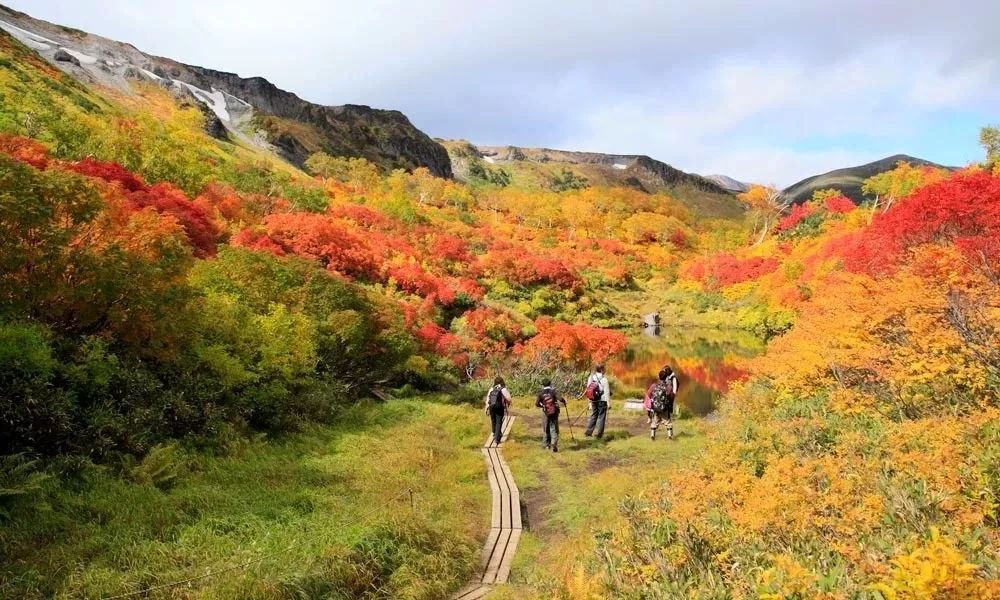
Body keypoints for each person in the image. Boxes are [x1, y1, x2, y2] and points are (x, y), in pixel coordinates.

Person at [645, 367, 678, 440]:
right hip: (664, 408)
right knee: (668, 422)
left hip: (656, 407)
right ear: (666, 377)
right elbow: (671, 396)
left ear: (658, 376)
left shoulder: (654, 385)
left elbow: (648, 394)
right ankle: (670, 436)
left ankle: (652, 435)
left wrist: (653, 401)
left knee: (655, 421)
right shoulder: (668, 387)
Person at [536, 378, 567, 452]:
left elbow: (537, 404)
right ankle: (554, 443)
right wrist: (564, 402)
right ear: (550, 384)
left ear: (542, 384)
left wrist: (543, 406)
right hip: (554, 411)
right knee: (554, 428)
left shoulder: (541, 392)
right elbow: (560, 398)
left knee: (546, 428)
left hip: (545, 412)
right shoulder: (553, 391)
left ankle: (546, 445)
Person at [581, 364, 611, 438]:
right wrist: (608, 403)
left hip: (593, 400)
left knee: (594, 415)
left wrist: (589, 402)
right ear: (601, 370)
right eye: (604, 369)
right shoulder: (604, 379)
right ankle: (599, 435)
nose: (605, 370)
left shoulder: (591, 377)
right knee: (601, 417)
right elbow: (606, 392)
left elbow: (588, 390)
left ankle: (588, 432)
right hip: (602, 400)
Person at [484, 376, 512, 445]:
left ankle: (494, 433)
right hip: (500, 407)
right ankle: (497, 438)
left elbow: (488, 399)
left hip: (492, 407)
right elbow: (509, 399)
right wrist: (507, 404)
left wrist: (486, 408)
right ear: (502, 382)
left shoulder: (491, 389)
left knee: (493, 420)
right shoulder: (503, 389)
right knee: (499, 421)